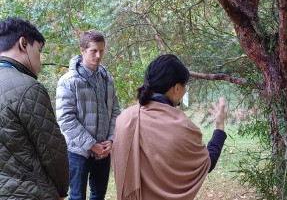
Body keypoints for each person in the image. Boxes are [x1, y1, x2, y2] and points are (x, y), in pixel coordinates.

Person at [112, 54, 227, 200]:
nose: (185, 90)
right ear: (177, 88)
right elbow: (206, 164)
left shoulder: (124, 119)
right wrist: (219, 127)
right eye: (185, 86)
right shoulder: (183, 127)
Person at [0, 17, 69, 199]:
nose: (39, 59)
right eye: (38, 50)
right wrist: (62, 189)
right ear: (23, 43)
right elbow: (53, 151)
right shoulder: (28, 87)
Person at [55, 29, 121, 200]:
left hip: (103, 152)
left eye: (102, 50)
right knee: (77, 197)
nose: (99, 55)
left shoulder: (107, 79)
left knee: (99, 195)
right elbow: (66, 120)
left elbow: (115, 111)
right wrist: (92, 145)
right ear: (82, 50)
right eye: (94, 51)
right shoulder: (69, 81)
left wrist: (111, 139)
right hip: (78, 152)